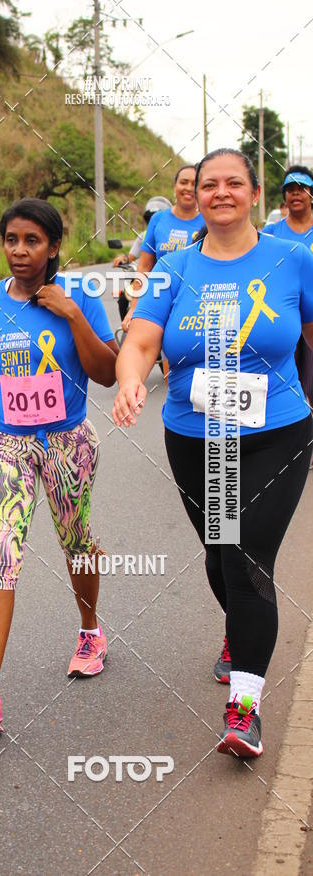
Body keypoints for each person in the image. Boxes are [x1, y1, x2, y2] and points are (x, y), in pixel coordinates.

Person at [112, 148, 313, 758]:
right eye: (208, 185)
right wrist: (129, 380)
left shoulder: (293, 260)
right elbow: (140, 341)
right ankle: (241, 630)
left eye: (233, 183)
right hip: (198, 438)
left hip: (277, 433)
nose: (220, 192)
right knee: (221, 557)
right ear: (195, 195)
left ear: (254, 193)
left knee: (249, 559)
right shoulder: (173, 268)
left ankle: (244, 711)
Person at [0, 198, 118, 733]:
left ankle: (89, 631)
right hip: (9, 446)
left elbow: (108, 373)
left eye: (32, 241)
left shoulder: (81, 296)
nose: (19, 251)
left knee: (77, 543)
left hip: (68, 442)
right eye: (11, 240)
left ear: (54, 247)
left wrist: (71, 314)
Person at [121, 165, 205, 334]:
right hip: (160, 300)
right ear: (175, 186)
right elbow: (145, 266)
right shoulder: (158, 219)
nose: (188, 188)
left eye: (194, 183)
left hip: (195, 303)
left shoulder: (208, 220)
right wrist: (134, 308)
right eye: (184, 182)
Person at [263, 166, 313, 406]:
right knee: (285, 388)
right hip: (283, 318)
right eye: (290, 189)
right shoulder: (271, 233)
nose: (295, 193)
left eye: (302, 188)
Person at [112, 196, 172, 269]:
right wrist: (123, 258)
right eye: (151, 220)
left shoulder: (175, 235)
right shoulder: (144, 236)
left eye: (158, 220)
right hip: (148, 273)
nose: (154, 223)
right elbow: (130, 257)